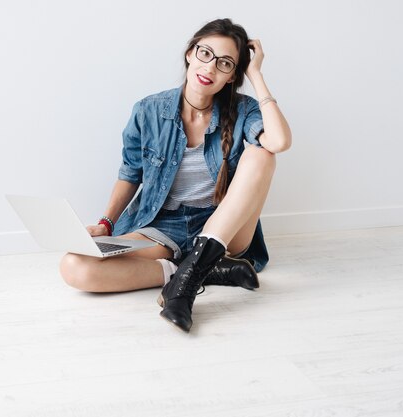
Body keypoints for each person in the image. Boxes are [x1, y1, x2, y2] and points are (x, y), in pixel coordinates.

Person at [60, 18, 292, 333]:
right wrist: (106, 224)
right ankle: (197, 269)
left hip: (225, 227)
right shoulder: (148, 110)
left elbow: (279, 141)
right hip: (162, 227)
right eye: (205, 54)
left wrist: (256, 75)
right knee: (74, 266)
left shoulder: (244, 109)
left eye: (225, 64)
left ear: (232, 76)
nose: (210, 68)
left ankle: (183, 285)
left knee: (263, 154)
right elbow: (130, 174)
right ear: (190, 54)